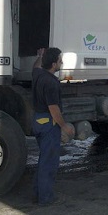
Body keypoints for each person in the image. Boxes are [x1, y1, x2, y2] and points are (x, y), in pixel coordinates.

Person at [32, 47, 74, 206]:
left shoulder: (38, 74)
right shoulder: (50, 82)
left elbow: (35, 67)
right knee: (49, 163)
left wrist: (39, 56)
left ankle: (38, 194)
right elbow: (54, 109)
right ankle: (46, 198)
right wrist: (64, 126)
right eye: (60, 60)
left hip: (37, 121)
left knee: (44, 160)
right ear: (54, 63)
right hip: (49, 123)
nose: (62, 63)